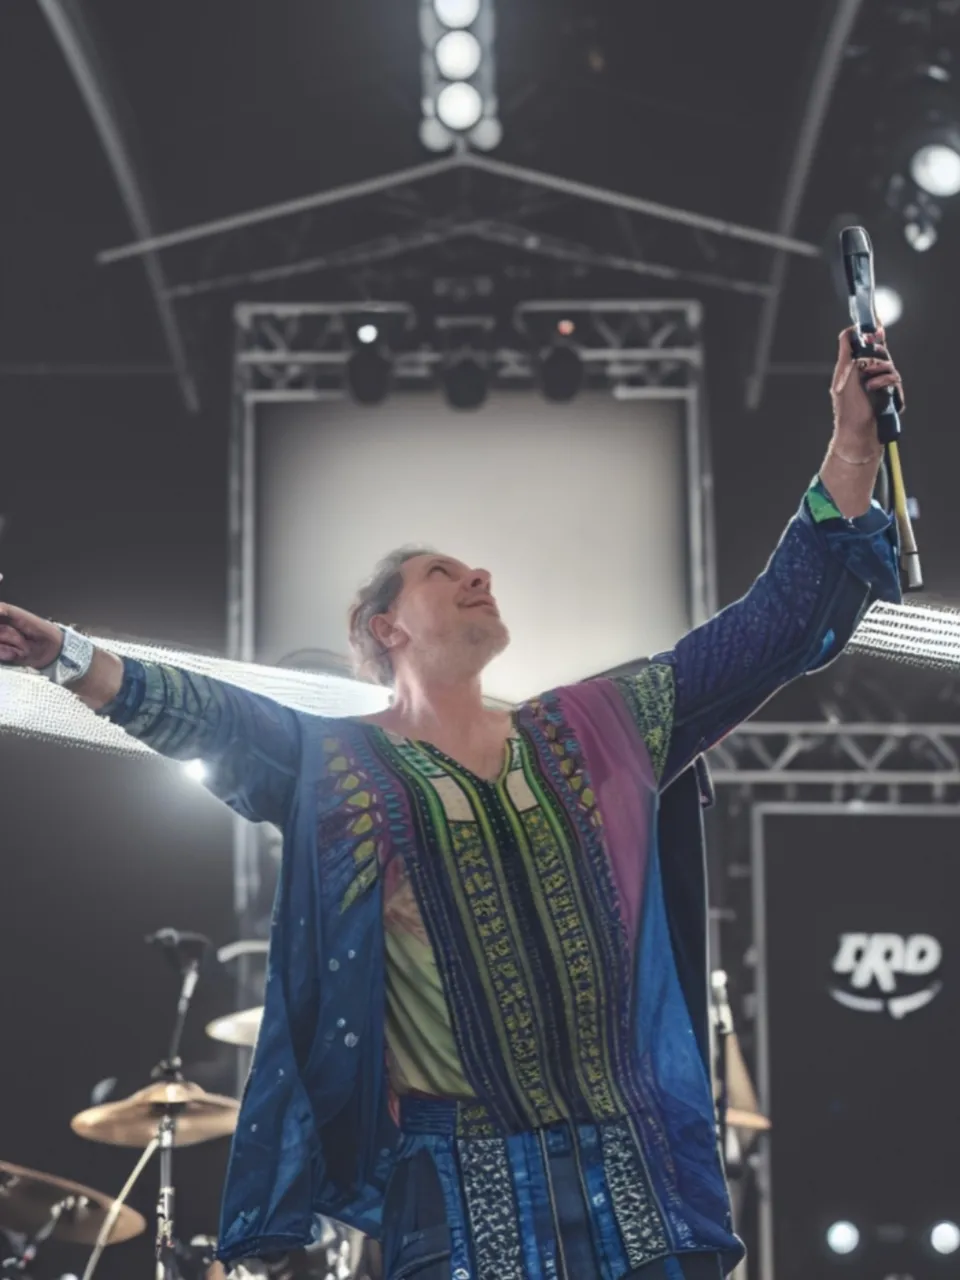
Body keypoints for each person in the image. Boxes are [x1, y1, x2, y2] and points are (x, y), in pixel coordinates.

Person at [0, 329, 904, 1280]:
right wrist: (62, 653)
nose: (479, 576)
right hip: (453, 1187)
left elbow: (771, 629)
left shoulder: (594, 729)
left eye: (475, 568)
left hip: (630, 1170)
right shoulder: (340, 768)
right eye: (443, 572)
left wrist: (850, 442)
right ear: (384, 628)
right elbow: (206, 717)